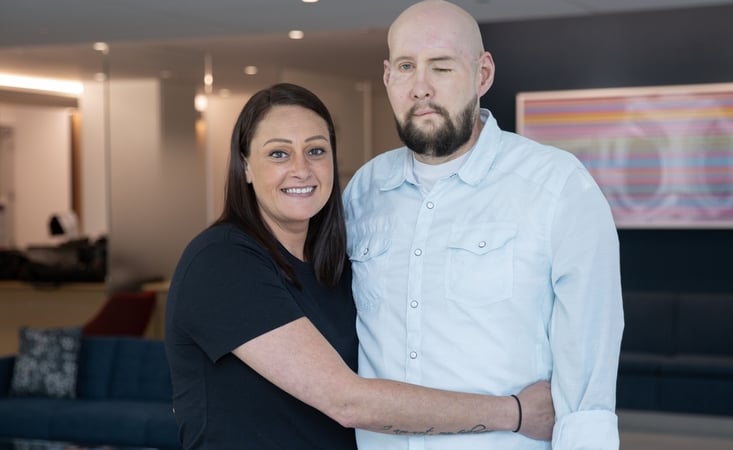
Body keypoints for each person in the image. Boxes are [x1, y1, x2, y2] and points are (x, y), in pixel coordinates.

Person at [164, 82, 555, 450]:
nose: (301, 169)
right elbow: (347, 401)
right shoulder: (221, 261)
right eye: (278, 154)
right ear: (245, 165)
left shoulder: (333, 265)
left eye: (316, 151)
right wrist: (515, 413)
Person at [343, 1, 625, 449]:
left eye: (441, 67)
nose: (421, 87)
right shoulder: (363, 191)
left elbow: (588, 380)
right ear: (387, 77)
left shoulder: (557, 186)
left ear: (483, 74)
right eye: (406, 67)